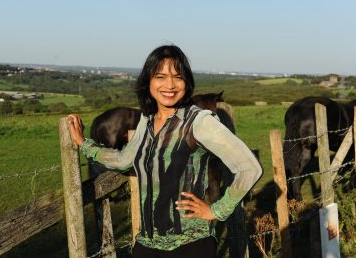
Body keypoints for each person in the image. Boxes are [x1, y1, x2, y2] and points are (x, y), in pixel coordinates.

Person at [68, 45, 262, 258]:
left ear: (186, 83)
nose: (169, 85)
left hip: (191, 245)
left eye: (177, 77)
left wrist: (217, 210)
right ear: (148, 81)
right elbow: (124, 160)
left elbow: (249, 167)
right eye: (160, 76)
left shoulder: (199, 121)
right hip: (146, 244)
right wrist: (84, 143)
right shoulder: (147, 120)